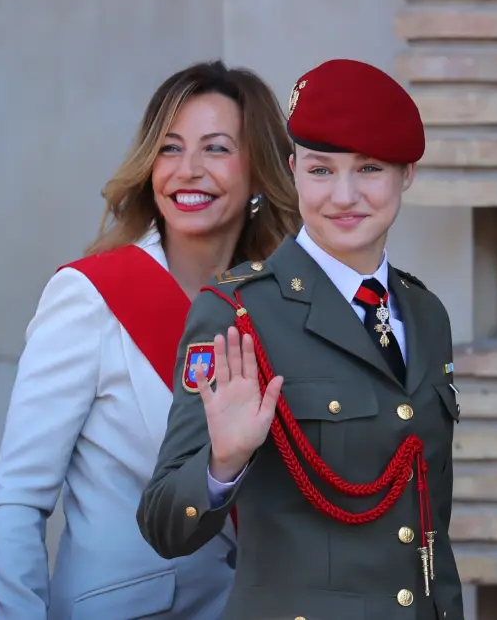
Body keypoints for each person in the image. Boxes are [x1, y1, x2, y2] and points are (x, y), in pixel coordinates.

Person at [137, 59, 464, 620]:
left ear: (406, 174)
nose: (343, 196)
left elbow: (430, 532)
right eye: (320, 170)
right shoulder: (237, 314)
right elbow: (164, 523)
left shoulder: (425, 314)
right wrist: (223, 461)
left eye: (369, 169)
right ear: (292, 170)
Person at [0, 60, 300, 620]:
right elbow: (17, 503)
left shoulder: (279, 304)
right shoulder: (90, 296)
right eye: (171, 148)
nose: (188, 170)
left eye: (217, 149)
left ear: (260, 172)